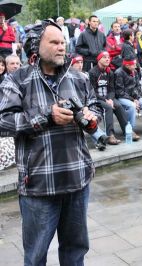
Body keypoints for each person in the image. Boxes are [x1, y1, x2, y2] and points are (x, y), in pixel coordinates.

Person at [0, 19, 102, 265]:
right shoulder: (17, 80)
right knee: (36, 256)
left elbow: (96, 106)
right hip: (39, 185)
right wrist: (46, 116)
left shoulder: (79, 78)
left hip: (77, 181)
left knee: (75, 252)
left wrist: (91, 117)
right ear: (36, 45)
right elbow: (3, 122)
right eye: (54, 42)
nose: (61, 47)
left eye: (63, 42)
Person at [70, 54, 109, 151]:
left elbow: (91, 95)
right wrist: (82, 108)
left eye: (82, 62)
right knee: (82, 117)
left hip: (86, 106)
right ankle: (100, 138)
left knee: (90, 115)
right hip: (74, 108)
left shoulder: (85, 76)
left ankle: (100, 139)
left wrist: (88, 107)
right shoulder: (66, 78)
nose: (80, 65)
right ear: (71, 64)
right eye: (77, 63)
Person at [89, 51, 129, 144]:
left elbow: (112, 89)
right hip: (97, 98)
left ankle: (127, 131)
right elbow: (92, 91)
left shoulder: (110, 72)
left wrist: (110, 99)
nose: (107, 59)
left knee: (118, 105)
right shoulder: (92, 72)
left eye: (108, 57)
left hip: (108, 98)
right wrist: (105, 100)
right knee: (108, 107)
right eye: (104, 57)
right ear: (99, 60)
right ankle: (110, 135)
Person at [114, 55, 142, 139]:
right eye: (134, 64)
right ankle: (129, 131)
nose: (135, 66)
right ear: (127, 65)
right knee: (132, 106)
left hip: (133, 97)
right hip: (121, 97)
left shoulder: (134, 72)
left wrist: (137, 98)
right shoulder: (118, 73)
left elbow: (138, 86)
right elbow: (119, 92)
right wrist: (133, 100)